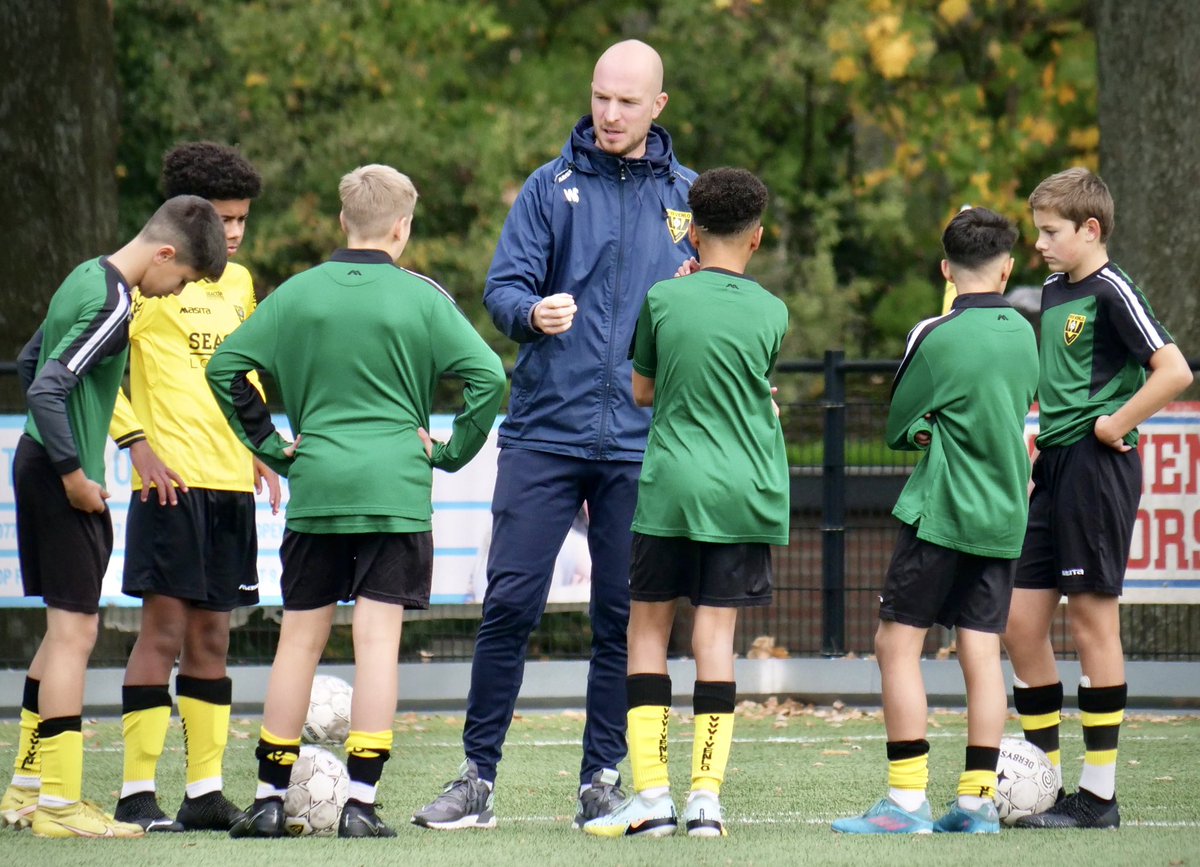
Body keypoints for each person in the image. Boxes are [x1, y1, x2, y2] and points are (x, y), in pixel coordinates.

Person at [412, 38, 697, 832]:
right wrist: (530, 313)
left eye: (627, 102)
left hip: (642, 440)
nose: (608, 113)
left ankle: (601, 780)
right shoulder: (549, 185)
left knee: (622, 614)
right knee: (509, 602)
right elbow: (501, 289)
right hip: (543, 430)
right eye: (601, 96)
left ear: (658, 108)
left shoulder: (690, 199)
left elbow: (720, 307)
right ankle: (476, 778)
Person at [205, 164, 506, 839]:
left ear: (344, 220)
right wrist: (451, 452)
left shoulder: (296, 294)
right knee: (377, 645)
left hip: (318, 485)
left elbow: (224, 367)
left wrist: (275, 446)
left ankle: (266, 799)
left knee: (297, 644)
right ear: (403, 226)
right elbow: (488, 377)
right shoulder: (422, 297)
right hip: (394, 489)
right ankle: (361, 805)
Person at [0, 196, 226, 839]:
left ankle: (24, 788)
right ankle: (61, 805)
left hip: (35, 463)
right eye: (179, 279)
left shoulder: (82, 274)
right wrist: (74, 474)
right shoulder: (117, 300)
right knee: (75, 635)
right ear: (163, 254)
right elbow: (47, 385)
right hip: (57, 475)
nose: (173, 291)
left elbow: (27, 358)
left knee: (57, 633)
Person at [581, 167, 787, 839]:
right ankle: (705, 799)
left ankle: (651, 798)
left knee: (646, 631)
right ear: (756, 239)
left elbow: (643, 392)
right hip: (742, 492)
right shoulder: (773, 311)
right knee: (716, 639)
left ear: (692, 231)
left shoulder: (664, 301)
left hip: (671, 488)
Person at [832, 207, 1039, 835]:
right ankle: (976, 807)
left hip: (942, 513)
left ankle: (907, 802)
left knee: (896, 644)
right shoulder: (1027, 332)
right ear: (1008, 267)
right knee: (981, 649)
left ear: (946, 269)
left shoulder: (935, 332)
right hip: (1006, 513)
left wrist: (931, 428)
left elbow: (899, 427)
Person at [1002, 168, 1193, 830]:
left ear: (1091, 229)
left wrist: (1114, 423)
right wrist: (1040, 438)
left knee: (1091, 624)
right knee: (1020, 624)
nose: (1040, 246)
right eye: (1036, 233)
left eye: (1051, 233)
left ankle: (1100, 797)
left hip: (1097, 467)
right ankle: (1043, 784)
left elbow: (1174, 369)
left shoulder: (1112, 289)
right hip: (1054, 466)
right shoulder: (1054, 291)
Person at [109, 142, 280, 833]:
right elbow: (93, 373)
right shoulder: (146, 278)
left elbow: (247, 373)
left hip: (230, 486)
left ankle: (205, 791)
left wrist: (261, 447)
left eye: (242, 220)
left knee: (214, 634)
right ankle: (135, 791)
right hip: (171, 485)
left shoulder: (239, 286)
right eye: (224, 218)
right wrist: (135, 441)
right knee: (163, 630)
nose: (234, 233)